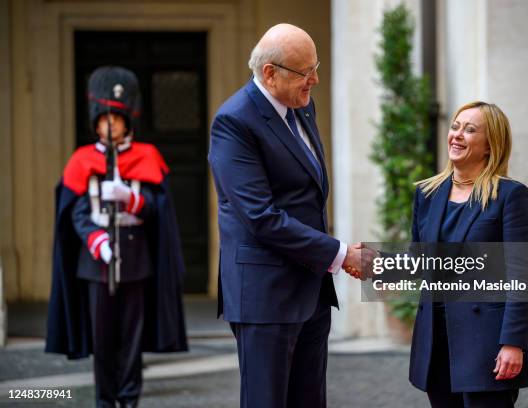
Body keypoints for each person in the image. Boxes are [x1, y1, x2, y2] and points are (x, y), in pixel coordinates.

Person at [208, 23, 373, 408]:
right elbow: (261, 217)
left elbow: (306, 196)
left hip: (310, 290)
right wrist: (341, 253)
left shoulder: (302, 105)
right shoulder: (234, 122)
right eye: (306, 72)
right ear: (270, 73)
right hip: (265, 296)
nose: (315, 80)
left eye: (317, 67)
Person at [46, 66, 188, 408]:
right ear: (95, 123)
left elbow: (159, 211)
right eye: (104, 121)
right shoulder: (81, 160)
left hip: (136, 258)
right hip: (95, 261)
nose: (110, 126)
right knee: (102, 337)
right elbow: (74, 213)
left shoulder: (147, 156)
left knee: (131, 337)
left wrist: (132, 199)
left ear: (127, 122)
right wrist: (95, 239)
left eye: (116, 120)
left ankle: (129, 398)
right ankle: (104, 400)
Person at [408, 101, 528, 407]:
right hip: (436, 340)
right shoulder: (426, 194)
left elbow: (521, 276)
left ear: (490, 145)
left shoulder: (510, 196)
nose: (457, 135)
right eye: (455, 126)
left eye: (470, 130)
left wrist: (513, 342)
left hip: (487, 343)